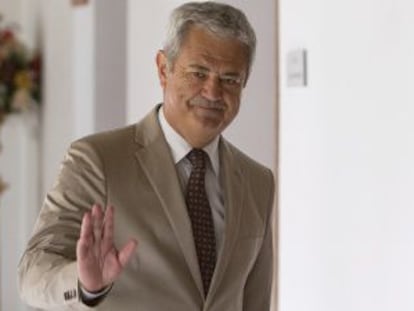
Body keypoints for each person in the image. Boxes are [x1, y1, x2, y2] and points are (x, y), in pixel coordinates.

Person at [18, 1, 275, 310]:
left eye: (230, 79)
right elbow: (32, 274)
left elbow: (255, 301)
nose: (213, 92)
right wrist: (84, 285)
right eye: (199, 72)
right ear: (163, 69)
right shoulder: (98, 160)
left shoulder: (259, 182)